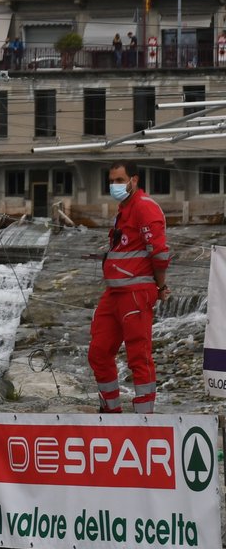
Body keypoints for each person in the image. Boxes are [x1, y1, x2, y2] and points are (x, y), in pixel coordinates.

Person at [90, 161, 169, 414]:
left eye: (119, 180)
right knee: (99, 352)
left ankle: (144, 417)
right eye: (112, 181)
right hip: (114, 293)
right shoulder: (123, 209)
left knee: (138, 355)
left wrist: (161, 285)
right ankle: (111, 411)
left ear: (134, 180)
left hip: (135, 293)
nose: (115, 185)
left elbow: (159, 254)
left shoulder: (144, 208)